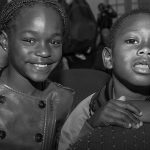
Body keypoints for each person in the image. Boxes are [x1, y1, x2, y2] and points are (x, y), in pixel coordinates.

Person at [58, 9, 150, 150]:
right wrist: (91, 125)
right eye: (132, 40)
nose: (145, 49)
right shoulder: (86, 110)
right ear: (108, 58)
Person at [0, 0, 74, 150]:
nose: (45, 52)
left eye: (55, 42)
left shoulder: (63, 100)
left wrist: (90, 126)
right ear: (5, 41)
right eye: (30, 40)